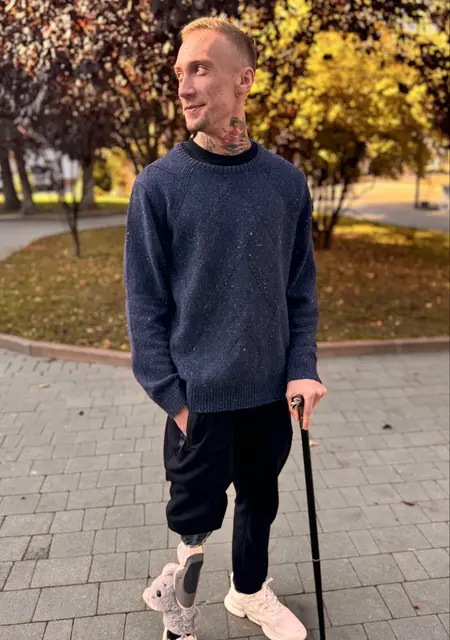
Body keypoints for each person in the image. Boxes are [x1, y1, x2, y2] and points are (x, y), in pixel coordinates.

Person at [124, 16, 327, 640]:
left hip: (270, 393)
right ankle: (180, 616)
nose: (184, 86)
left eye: (201, 69)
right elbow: (145, 307)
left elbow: (299, 290)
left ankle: (248, 592)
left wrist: (302, 369)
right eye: (179, 72)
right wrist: (175, 399)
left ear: (244, 80)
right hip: (199, 400)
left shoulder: (285, 183)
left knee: (259, 504)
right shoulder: (158, 186)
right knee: (194, 521)